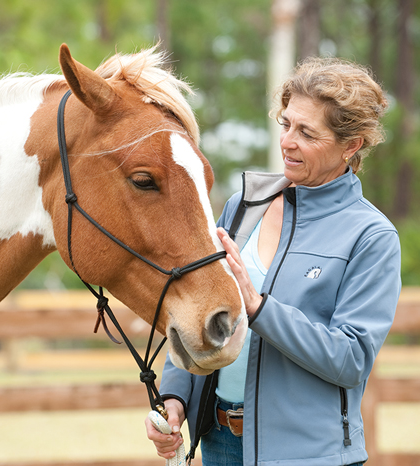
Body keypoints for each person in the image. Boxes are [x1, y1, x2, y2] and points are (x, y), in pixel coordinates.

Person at [145, 56, 401, 466]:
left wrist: (259, 308)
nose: (287, 141)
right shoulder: (243, 206)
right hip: (218, 443)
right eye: (285, 124)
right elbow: (200, 311)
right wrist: (175, 396)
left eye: (307, 132)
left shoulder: (371, 237)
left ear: (351, 146)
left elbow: (352, 359)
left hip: (307, 455)